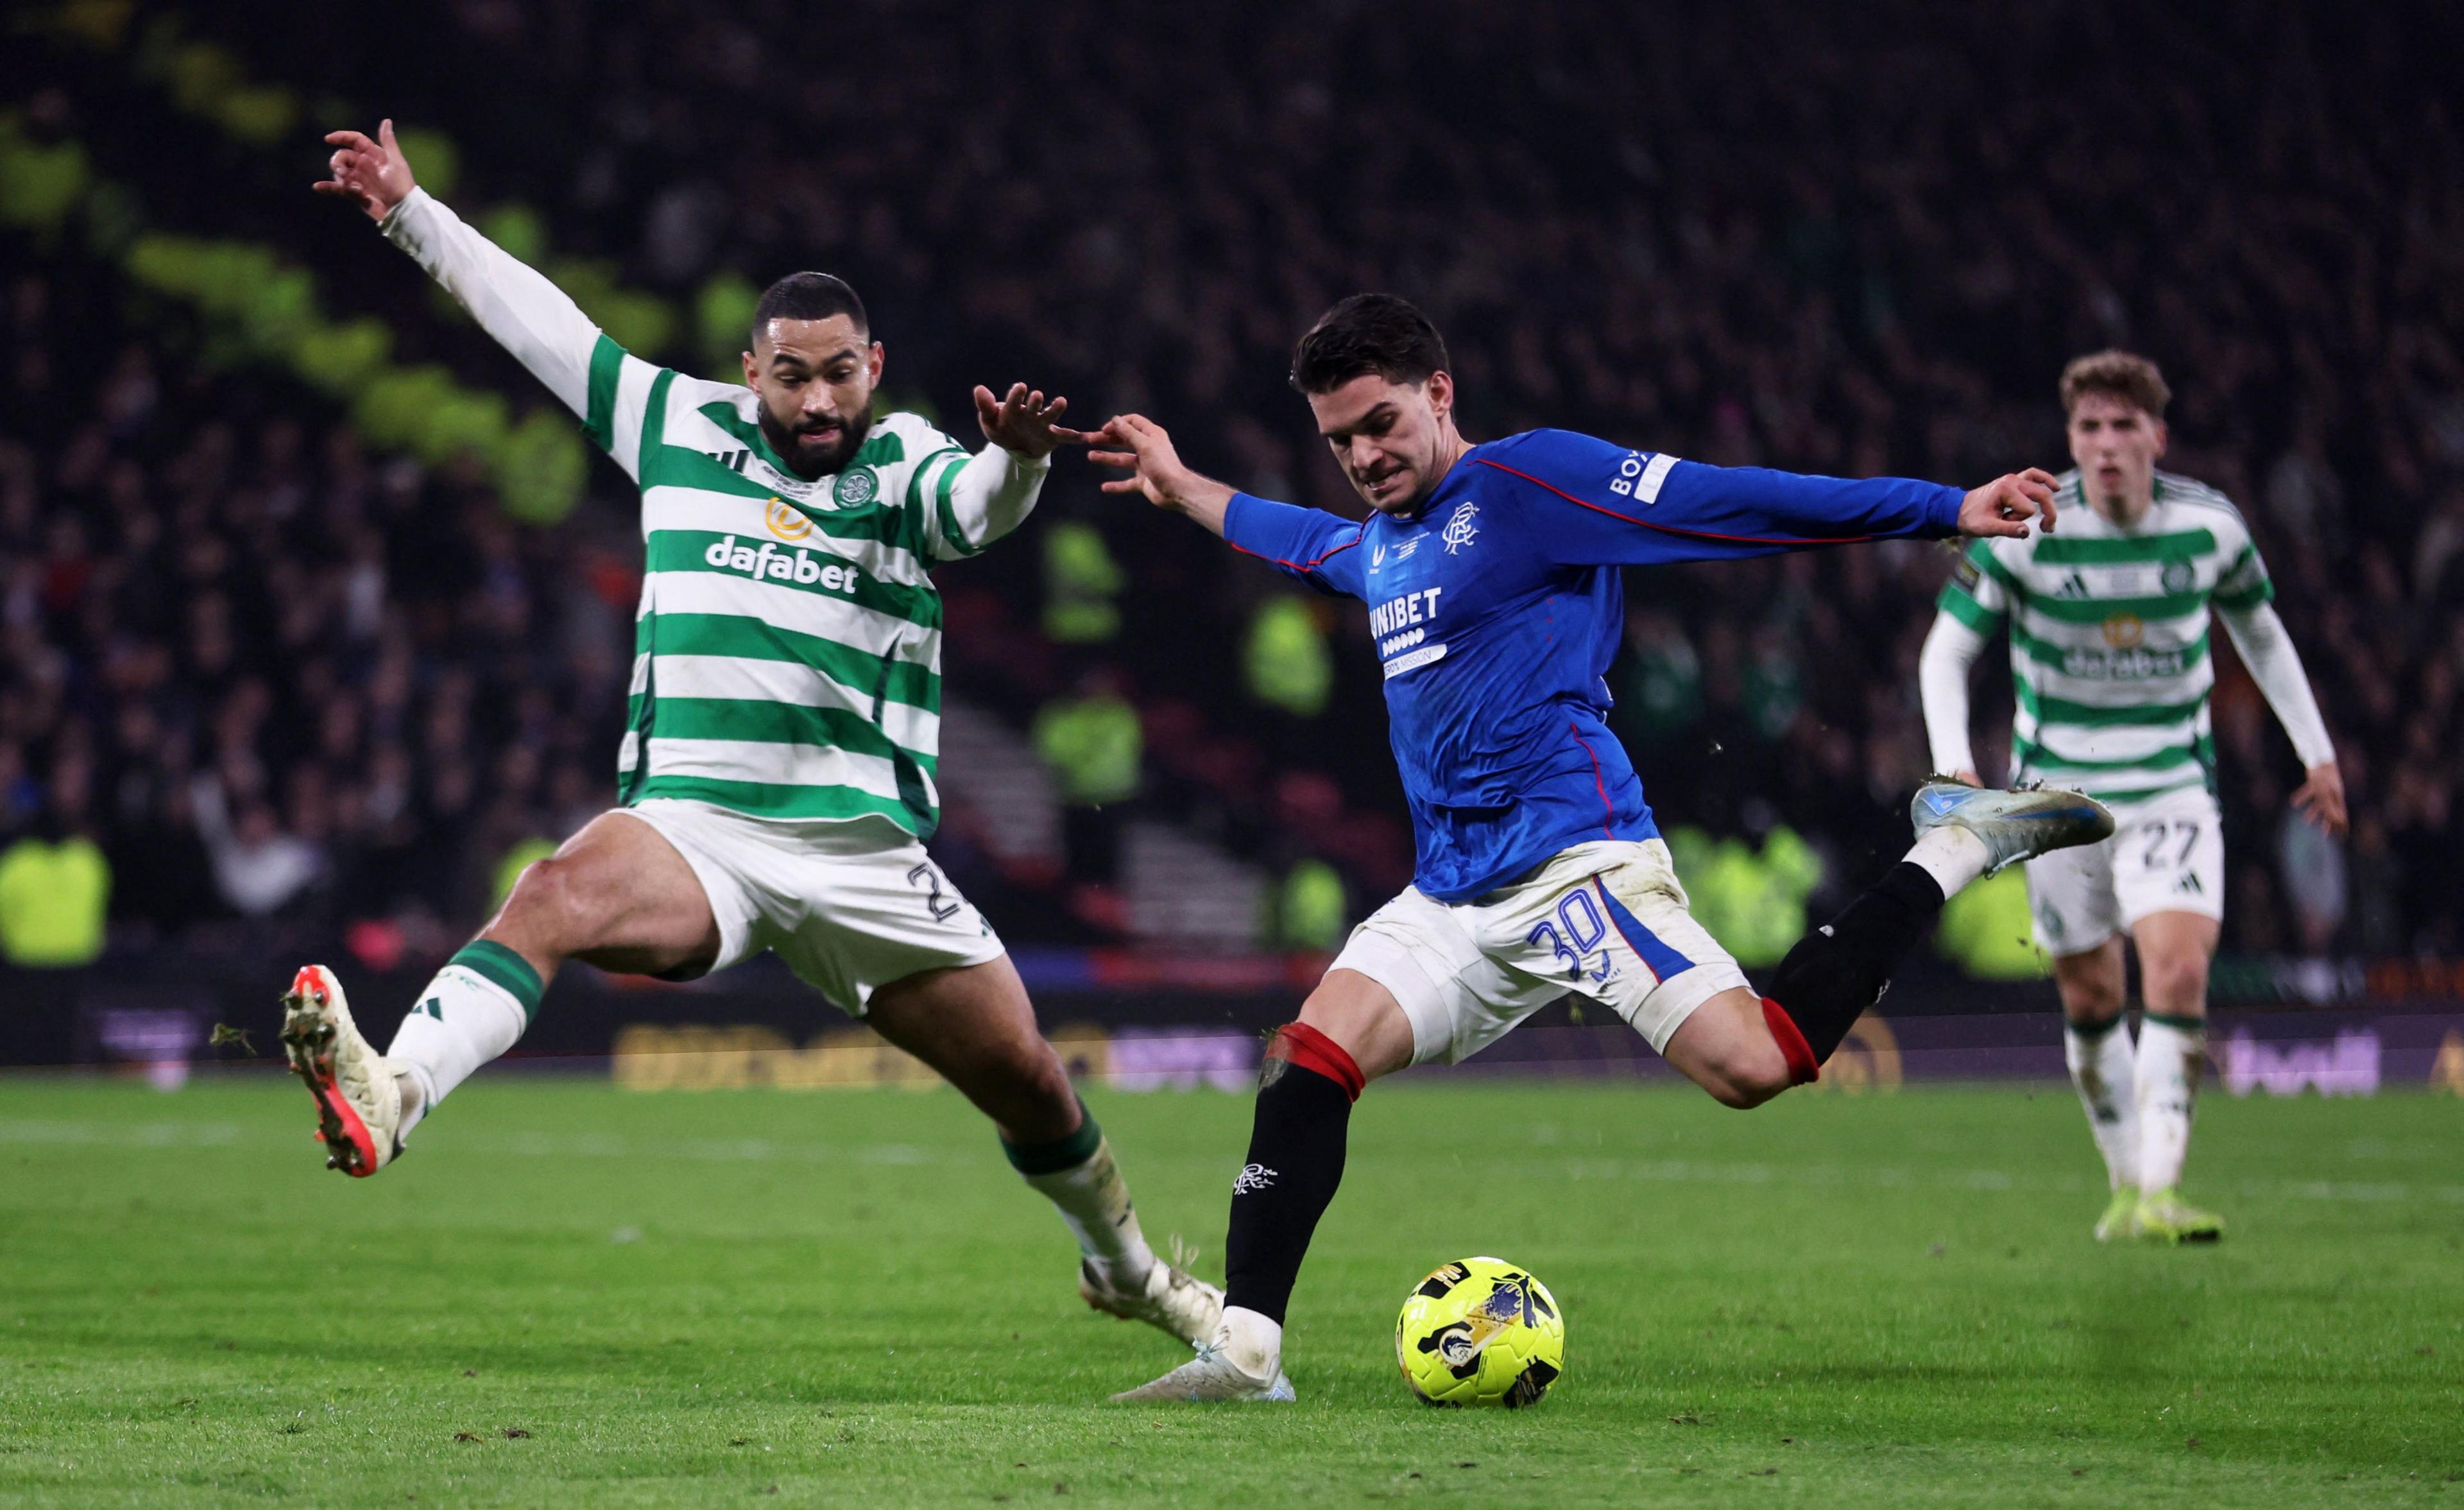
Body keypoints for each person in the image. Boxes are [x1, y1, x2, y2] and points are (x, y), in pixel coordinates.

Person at [1071, 293, 2114, 1402]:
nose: (1363, 456)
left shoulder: (1532, 484)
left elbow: (1729, 501)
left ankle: (1950, 849)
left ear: (1440, 391)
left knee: (1757, 1064)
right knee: (1307, 1060)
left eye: (1379, 424)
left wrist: (1943, 505)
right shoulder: (1383, 545)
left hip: (1577, 862)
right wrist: (1184, 487)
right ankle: (1247, 1351)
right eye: (1339, 441)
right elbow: (1310, 541)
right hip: (1449, 898)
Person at [291, 121, 1217, 1348]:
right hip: (698, 826)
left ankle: (1131, 1271)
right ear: (753, 368)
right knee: (553, 893)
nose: (820, 398)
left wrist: (1017, 463)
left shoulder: (904, 459)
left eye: (841, 372)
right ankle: (395, 1088)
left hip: (863, 855)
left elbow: (974, 512)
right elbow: (539, 323)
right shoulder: (676, 423)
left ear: (873, 365)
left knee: (1030, 1081)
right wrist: (409, 206)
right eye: (794, 375)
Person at [1919, 350, 2346, 1244]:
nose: (2105, 444)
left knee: (2181, 969)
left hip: (2173, 787)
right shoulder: (2031, 526)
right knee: (2089, 992)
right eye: (2088, 428)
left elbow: (2261, 635)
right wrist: (1956, 763)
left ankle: (2160, 1187)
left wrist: (2318, 754)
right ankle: (2125, 1185)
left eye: (2122, 426)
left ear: (2158, 434)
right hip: (2057, 797)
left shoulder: (2212, 528)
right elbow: (1947, 650)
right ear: (2071, 439)